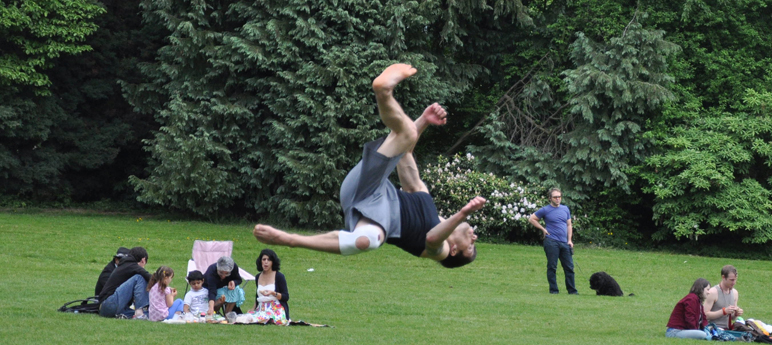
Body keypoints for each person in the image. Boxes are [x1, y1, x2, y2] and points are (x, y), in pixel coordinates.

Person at [253, 64, 484, 267]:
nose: (474, 238)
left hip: (370, 215)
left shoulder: (440, 250)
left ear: (454, 251)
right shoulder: (426, 202)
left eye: (470, 247)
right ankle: (383, 90)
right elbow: (407, 154)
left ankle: (291, 240)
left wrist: (463, 212)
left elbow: (433, 239)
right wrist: (424, 121)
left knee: (367, 241)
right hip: (372, 187)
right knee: (407, 133)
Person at [528, 188, 578, 295]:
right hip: (551, 242)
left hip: (565, 243)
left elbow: (569, 225)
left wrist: (569, 240)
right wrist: (543, 229)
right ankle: (554, 290)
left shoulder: (565, 209)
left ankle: (572, 291)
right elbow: (532, 219)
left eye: (559, 197)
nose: (557, 199)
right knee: (552, 266)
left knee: (569, 267)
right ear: (550, 198)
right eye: (555, 197)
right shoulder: (545, 210)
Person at [238, 249, 290, 325]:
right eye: (264, 259)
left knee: (255, 319)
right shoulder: (258, 276)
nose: (266, 262)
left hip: (275, 308)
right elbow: (257, 296)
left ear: (273, 262)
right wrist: (253, 308)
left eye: (269, 260)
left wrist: (272, 293)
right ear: (260, 261)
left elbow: (286, 296)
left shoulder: (279, 276)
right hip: (261, 308)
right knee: (244, 318)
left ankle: (271, 319)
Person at [98, 247, 151, 319]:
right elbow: (149, 277)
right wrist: (164, 286)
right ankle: (139, 312)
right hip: (108, 304)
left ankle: (126, 315)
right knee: (139, 278)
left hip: (106, 308)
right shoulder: (131, 265)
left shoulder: (127, 265)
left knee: (149, 315)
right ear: (143, 260)